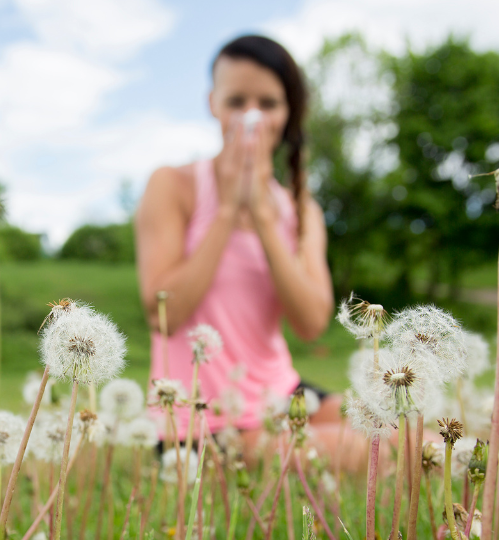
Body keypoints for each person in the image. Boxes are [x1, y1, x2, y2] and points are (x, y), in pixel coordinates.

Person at [135, 35, 353, 462]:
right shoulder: (173, 185)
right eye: (237, 101)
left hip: (282, 393)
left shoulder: (300, 209)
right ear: (212, 103)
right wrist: (228, 209)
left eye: (268, 103)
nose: (251, 117)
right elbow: (163, 312)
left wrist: (265, 218)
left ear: (287, 113)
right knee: (365, 453)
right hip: (202, 421)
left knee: (398, 428)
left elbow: (311, 322)